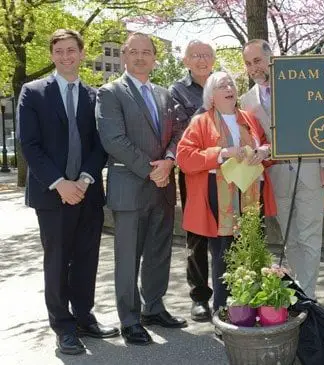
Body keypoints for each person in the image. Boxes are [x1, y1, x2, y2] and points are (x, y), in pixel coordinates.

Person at [17, 29, 118, 355]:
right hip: (52, 194)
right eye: (58, 51)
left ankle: (84, 316)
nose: (65, 56)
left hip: (87, 191)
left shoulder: (94, 96)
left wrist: (85, 180)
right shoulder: (32, 92)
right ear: (52, 55)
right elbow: (29, 145)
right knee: (58, 260)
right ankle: (63, 326)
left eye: (71, 50)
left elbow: (98, 144)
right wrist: (60, 183)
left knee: (87, 258)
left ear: (81, 52)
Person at [96, 32, 186, 346]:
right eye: (133, 51)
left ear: (154, 57)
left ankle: (154, 306)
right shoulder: (110, 93)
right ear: (124, 56)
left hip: (162, 187)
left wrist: (170, 161)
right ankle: (130, 319)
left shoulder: (164, 94)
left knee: (159, 252)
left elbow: (178, 132)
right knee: (128, 257)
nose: (139, 57)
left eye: (145, 52)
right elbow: (114, 141)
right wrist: (152, 170)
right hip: (131, 187)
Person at [176, 71, 276, 317]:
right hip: (219, 199)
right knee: (225, 254)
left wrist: (264, 152)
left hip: (252, 195)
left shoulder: (249, 118)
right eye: (222, 85)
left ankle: (252, 308)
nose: (229, 86)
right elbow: (184, 158)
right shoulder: (201, 122)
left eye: (231, 82)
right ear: (211, 96)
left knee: (253, 250)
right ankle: (224, 311)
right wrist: (222, 153)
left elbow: (268, 146)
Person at [240, 39, 324, 299]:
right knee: (290, 239)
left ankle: (309, 297)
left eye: (257, 60)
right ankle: (301, 292)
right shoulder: (246, 102)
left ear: (271, 58)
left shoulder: (300, 86)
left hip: (311, 170)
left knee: (310, 235)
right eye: (248, 63)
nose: (253, 68)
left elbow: (323, 121)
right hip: (276, 176)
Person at [169, 40, 215, 322]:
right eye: (195, 56)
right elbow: (182, 130)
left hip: (226, 171)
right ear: (186, 61)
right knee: (197, 235)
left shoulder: (223, 83)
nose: (201, 60)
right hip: (194, 173)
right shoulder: (177, 90)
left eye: (207, 55)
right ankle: (199, 296)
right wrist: (211, 106)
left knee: (228, 231)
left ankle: (229, 291)